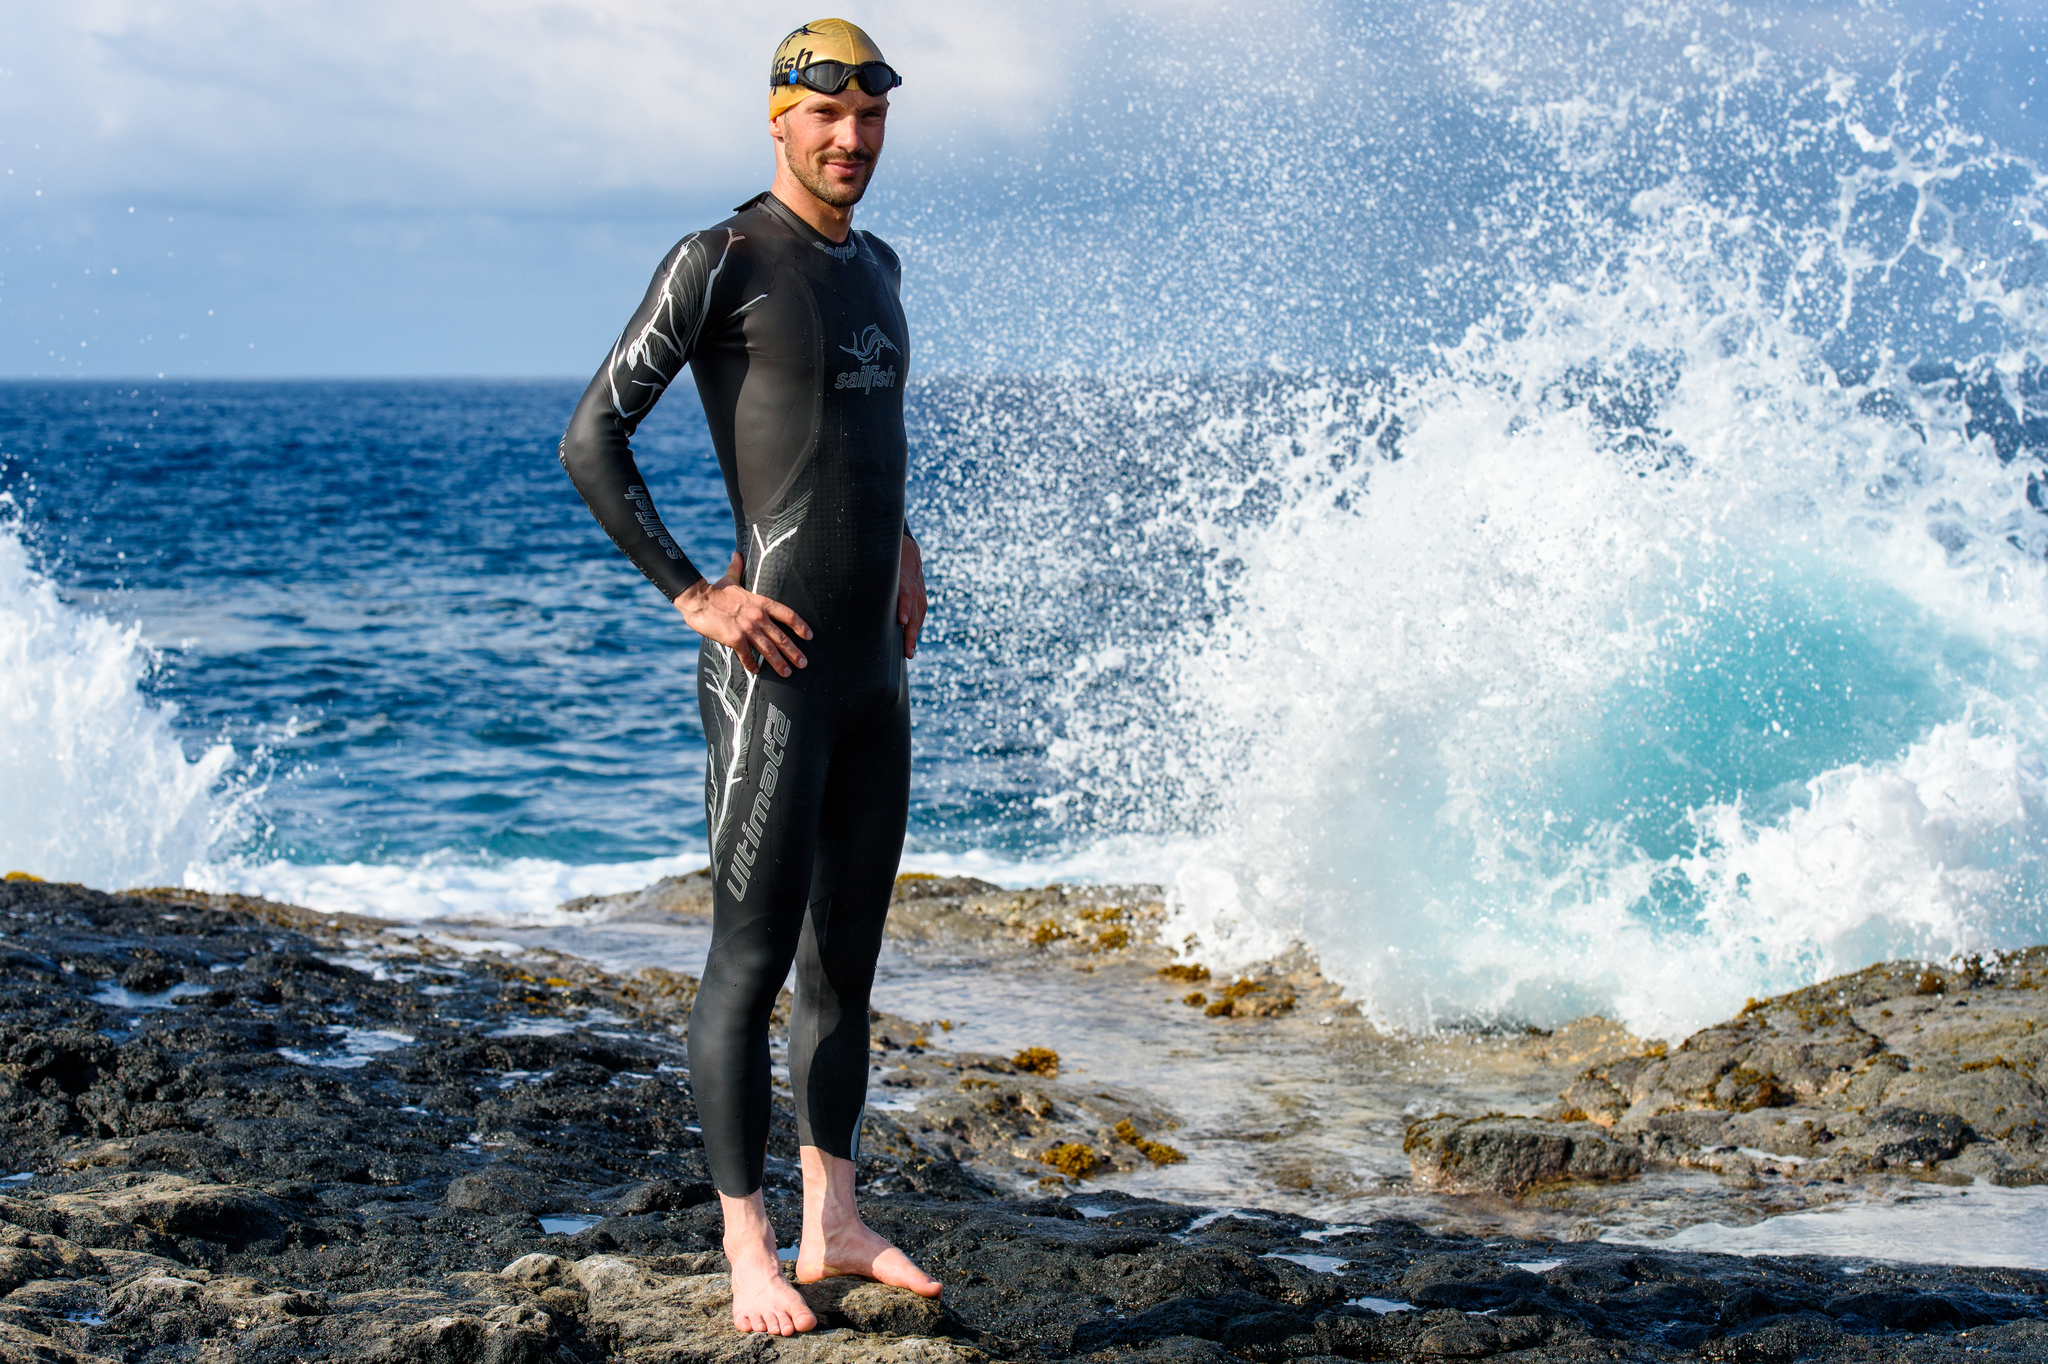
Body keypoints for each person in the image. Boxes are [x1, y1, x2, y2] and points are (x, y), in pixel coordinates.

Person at [557, 17, 937, 1337]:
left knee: (848, 962)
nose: (851, 141)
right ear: (778, 119)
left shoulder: (878, 266)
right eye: (827, 117)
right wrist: (697, 594)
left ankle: (837, 1215)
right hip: (771, 676)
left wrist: (899, 541)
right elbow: (592, 436)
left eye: (871, 119)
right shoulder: (721, 260)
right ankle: (746, 1247)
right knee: (751, 959)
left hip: (871, 678)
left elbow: (856, 436)